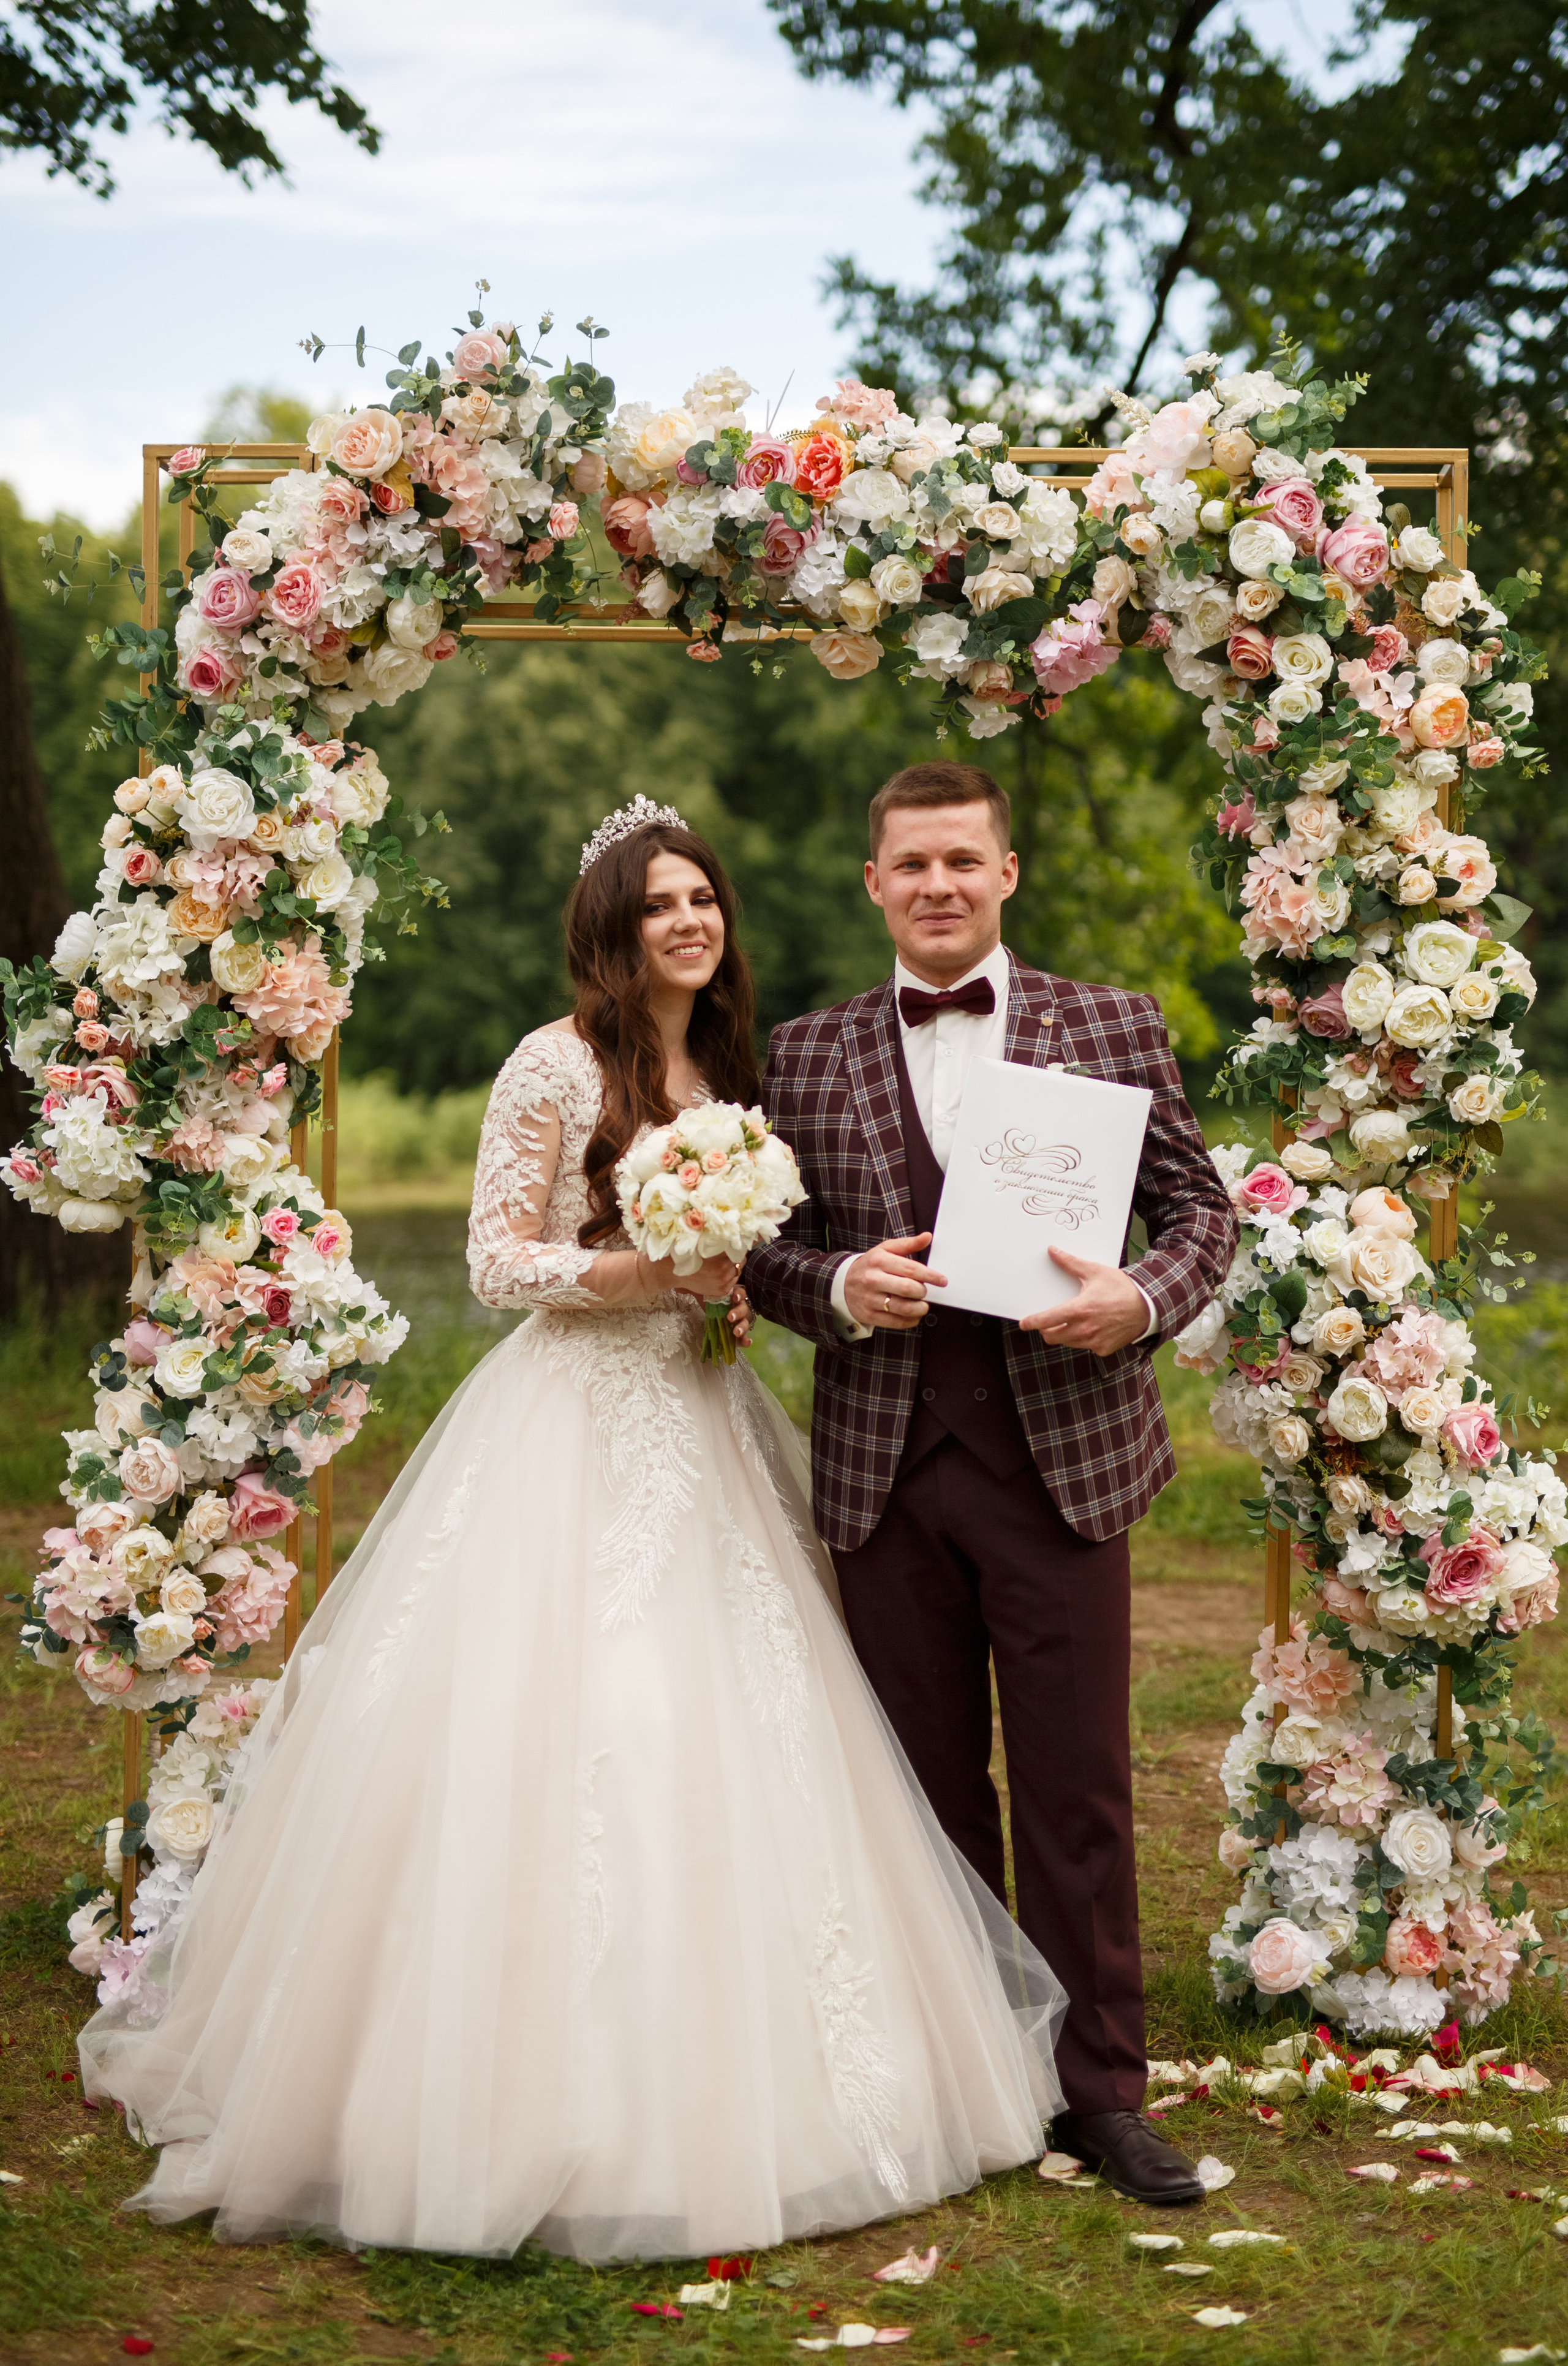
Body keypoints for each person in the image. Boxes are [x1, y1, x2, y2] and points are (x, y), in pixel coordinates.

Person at [78, 796, 1065, 2262]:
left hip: (702, 1417)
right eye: (657, 903)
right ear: (611, 926)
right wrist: (642, 1267)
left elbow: (747, 1252)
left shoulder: (729, 1064)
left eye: (702, 898)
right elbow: (495, 1259)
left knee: (740, 1719)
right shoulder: (553, 1061)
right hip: (571, 1422)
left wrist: (724, 1280)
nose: (687, 921)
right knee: (574, 1718)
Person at [746, 760, 1238, 2207]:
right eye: (911, 865)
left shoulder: (1109, 1023)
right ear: (873, 884)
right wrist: (836, 1278)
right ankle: (965, 2084)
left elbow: (1199, 1208)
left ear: (1004, 873)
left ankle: (1101, 2096)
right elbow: (755, 1250)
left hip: (1063, 1465)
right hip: (883, 1475)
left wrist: (1140, 1299)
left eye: (963, 860)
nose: (939, 885)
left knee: (1076, 1795)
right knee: (923, 1800)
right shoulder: (803, 1050)